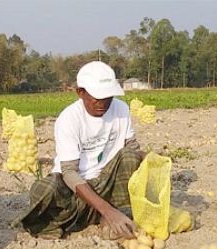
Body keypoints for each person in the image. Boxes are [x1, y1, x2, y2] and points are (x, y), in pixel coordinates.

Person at [20, 61, 144, 239]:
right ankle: (100, 214)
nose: (103, 102)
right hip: (75, 189)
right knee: (43, 189)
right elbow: (69, 172)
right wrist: (107, 210)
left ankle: (106, 214)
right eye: (97, 97)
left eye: (108, 96)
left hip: (106, 185)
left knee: (130, 157)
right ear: (80, 92)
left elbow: (133, 149)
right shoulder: (69, 118)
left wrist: (152, 158)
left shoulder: (121, 109)